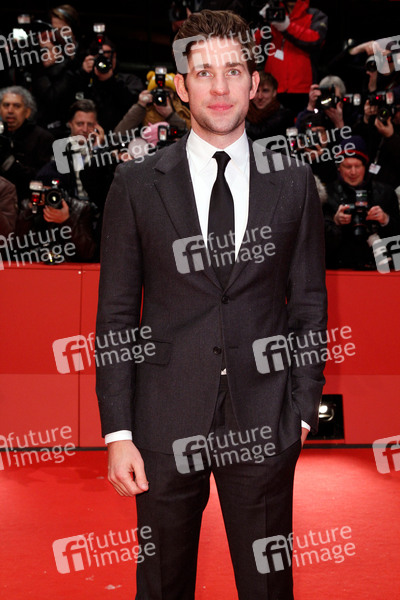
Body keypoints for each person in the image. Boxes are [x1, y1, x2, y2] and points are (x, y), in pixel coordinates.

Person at [96, 9, 327, 600]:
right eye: (203, 72)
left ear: (254, 83)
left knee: (268, 587)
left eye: (233, 72)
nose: (219, 87)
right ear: (181, 85)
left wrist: (301, 410)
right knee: (161, 585)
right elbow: (117, 316)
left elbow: (307, 304)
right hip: (162, 421)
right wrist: (118, 431)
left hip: (266, 418)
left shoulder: (293, 180)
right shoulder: (136, 184)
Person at [323, 135, 400, 270]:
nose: (353, 172)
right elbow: (317, 242)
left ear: (365, 166)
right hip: (339, 268)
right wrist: (335, 222)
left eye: (357, 166)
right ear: (339, 167)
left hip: (380, 267)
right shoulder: (326, 195)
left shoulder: (385, 193)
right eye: (347, 166)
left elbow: (397, 237)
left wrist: (385, 220)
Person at [258, 0, 328, 116]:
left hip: (303, 89)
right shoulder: (272, 13)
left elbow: (315, 39)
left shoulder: (315, 15)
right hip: (272, 88)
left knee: (302, 122)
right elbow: (255, 45)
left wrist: (286, 26)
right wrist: (261, 21)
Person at [0, 86, 54, 204]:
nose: (10, 110)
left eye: (16, 106)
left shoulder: (43, 138)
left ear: (27, 112)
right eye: (6, 105)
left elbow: (41, 178)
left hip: (28, 201)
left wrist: (9, 163)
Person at [114, 68, 191, 142]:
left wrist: (171, 115)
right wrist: (140, 105)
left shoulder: (181, 110)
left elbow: (191, 137)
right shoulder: (144, 111)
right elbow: (118, 136)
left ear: (174, 95)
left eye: (167, 93)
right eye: (157, 92)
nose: (161, 96)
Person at [245, 70, 294, 140]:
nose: (260, 96)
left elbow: (259, 134)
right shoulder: (245, 112)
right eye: (256, 91)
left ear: (274, 93)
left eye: (265, 91)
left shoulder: (284, 115)